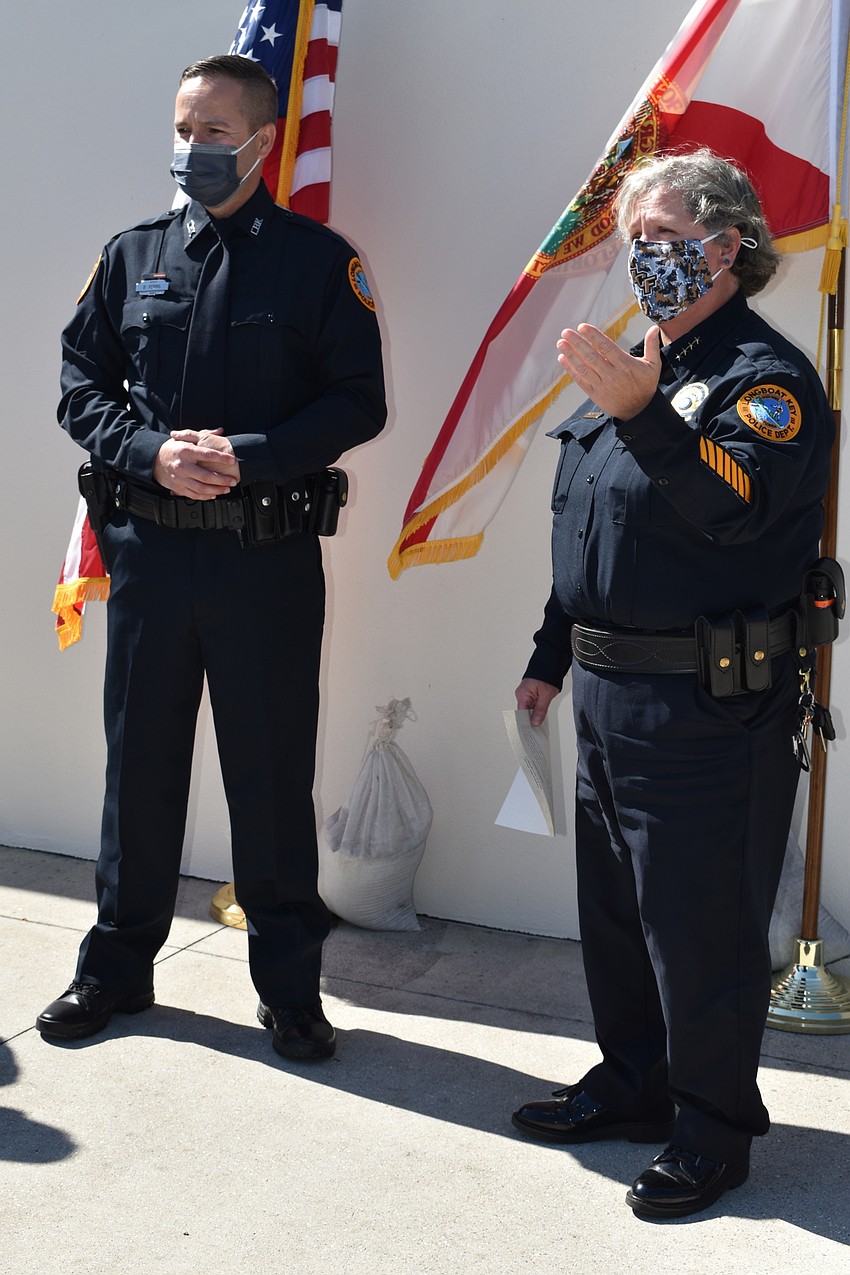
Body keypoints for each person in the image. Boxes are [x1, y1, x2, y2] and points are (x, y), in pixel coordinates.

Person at [36, 55, 386, 1061]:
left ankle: (289, 990)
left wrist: (248, 458)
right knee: (137, 771)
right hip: (148, 558)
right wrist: (152, 452)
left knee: (269, 778)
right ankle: (113, 971)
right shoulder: (131, 255)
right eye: (183, 127)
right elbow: (79, 389)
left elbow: (357, 401)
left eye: (214, 129)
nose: (193, 147)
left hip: (264, 564)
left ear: (264, 141)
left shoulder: (319, 264)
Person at [510, 150, 834, 1218]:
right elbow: (593, 527)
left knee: (697, 927)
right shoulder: (633, 362)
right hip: (608, 689)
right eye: (631, 240)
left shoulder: (765, 379)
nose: (636, 255)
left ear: (723, 246)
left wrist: (649, 413)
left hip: (709, 705)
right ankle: (636, 1083)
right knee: (613, 913)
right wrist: (551, 654)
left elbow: (731, 506)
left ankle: (713, 1130)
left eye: (656, 237)